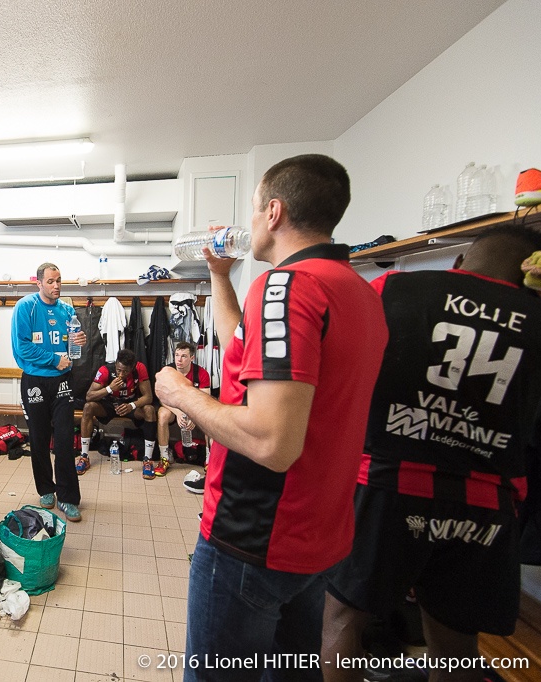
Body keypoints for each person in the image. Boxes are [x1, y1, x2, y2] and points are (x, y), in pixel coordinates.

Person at [154, 155, 388, 679]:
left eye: (255, 208)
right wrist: (220, 275)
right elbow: (245, 345)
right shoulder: (358, 292)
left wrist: (181, 393)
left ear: (274, 211)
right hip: (320, 534)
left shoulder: (286, 286)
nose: (252, 220)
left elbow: (271, 442)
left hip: (254, 537)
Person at [322, 225, 541, 682]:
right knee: (454, 642)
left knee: (345, 617)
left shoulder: (394, 287)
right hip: (486, 500)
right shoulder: (539, 318)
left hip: (389, 480)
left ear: (460, 263)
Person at [11, 262, 87, 522]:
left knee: (65, 439)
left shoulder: (67, 309)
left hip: (63, 380)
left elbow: (72, 342)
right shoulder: (26, 307)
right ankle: (46, 489)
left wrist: (79, 341)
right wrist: (54, 359)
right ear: (39, 283)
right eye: (51, 281)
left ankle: (68, 498)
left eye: (59, 281)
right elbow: (22, 348)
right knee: (39, 438)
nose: (56, 286)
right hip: (35, 380)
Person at [79, 348, 157, 479]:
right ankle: (84, 457)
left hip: (131, 405)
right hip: (109, 405)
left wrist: (131, 405)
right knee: (88, 407)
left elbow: (148, 397)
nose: (121, 374)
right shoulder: (105, 370)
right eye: (119, 370)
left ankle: (147, 460)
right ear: (116, 364)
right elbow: (89, 396)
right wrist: (110, 388)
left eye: (125, 371)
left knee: (149, 410)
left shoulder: (139, 368)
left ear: (132, 368)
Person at [155, 341, 210, 479]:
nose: (179, 359)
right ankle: (164, 458)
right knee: (162, 414)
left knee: (210, 418)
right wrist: (178, 413)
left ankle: (210, 460)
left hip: (195, 409)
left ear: (192, 358)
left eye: (184, 356)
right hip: (174, 409)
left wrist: (192, 415)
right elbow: (162, 399)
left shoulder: (201, 373)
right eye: (177, 355)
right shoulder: (168, 371)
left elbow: (205, 400)